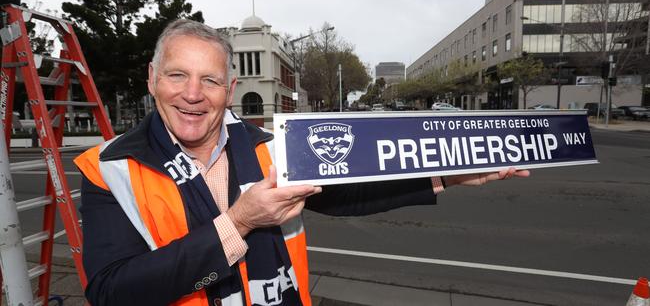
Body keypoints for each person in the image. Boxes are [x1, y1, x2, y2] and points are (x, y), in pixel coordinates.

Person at [74, 19, 529, 306]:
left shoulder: (271, 146)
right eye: (177, 75)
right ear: (153, 79)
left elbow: (349, 193)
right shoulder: (110, 168)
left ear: (228, 91)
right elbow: (113, 292)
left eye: (209, 80)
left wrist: (446, 172)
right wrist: (239, 223)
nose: (192, 94)